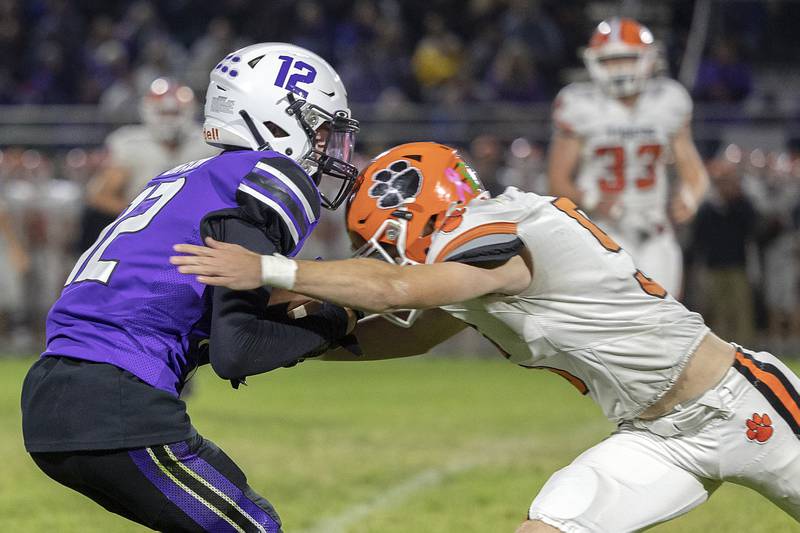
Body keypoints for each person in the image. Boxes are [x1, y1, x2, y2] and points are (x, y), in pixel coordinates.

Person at [172, 142, 800, 532]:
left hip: (738, 404)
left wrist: (272, 270)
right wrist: (299, 344)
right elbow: (411, 335)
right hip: (653, 438)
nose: (387, 259)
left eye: (385, 242)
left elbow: (397, 291)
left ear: (416, 208)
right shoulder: (473, 268)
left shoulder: (504, 227)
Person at [21, 43, 360, 532]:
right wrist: (335, 322)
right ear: (275, 117)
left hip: (54, 390)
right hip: (115, 398)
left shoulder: (191, 175)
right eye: (321, 128)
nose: (328, 146)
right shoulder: (264, 175)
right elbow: (236, 350)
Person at [548, 18, 708, 297]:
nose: (619, 68)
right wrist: (595, 200)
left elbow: (694, 172)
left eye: (626, 58)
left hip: (654, 226)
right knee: (607, 318)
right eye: (611, 60)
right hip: (600, 226)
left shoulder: (668, 100)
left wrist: (690, 197)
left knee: (666, 316)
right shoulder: (579, 104)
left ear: (648, 59)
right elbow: (557, 181)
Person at [79, 77, 217, 252]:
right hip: (142, 231)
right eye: (163, 113)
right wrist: (143, 218)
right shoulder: (128, 142)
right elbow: (99, 196)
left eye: (174, 113)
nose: (169, 119)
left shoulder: (205, 141)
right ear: (148, 111)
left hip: (197, 228)